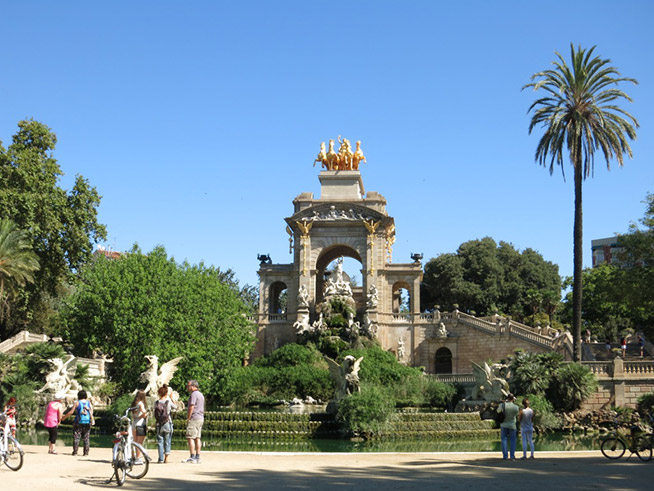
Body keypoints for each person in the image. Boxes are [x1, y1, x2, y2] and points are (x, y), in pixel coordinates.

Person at [63, 390, 94, 456]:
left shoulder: (77, 403)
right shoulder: (89, 403)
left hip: (78, 422)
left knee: (76, 437)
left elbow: (71, 412)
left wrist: (64, 417)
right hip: (87, 422)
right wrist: (92, 419)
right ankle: (86, 453)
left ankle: (75, 452)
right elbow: (91, 412)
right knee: (86, 438)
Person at [183, 379, 204, 464]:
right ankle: (198, 456)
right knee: (197, 438)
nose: (187, 387)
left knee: (190, 437)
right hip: (200, 418)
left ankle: (192, 456)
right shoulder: (201, 395)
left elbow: (191, 407)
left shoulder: (193, 395)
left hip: (194, 418)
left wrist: (188, 417)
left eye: (188, 386)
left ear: (193, 386)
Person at [154, 384, 176, 463]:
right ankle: (166, 458)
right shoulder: (168, 401)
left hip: (159, 424)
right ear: (166, 393)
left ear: (159, 393)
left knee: (160, 441)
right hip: (167, 422)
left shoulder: (156, 402)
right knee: (167, 441)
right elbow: (175, 407)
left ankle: (160, 458)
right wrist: (172, 398)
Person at [497, 393, 519, 460]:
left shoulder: (502, 405)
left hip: (503, 424)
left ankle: (505, 456)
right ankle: (512, 456)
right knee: (513, 440)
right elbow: (516, 415)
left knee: (504, 440)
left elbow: (498, 411)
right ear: (513, 399)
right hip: (512, 425)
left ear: (507, 398)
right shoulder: (515, 407)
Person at [131, 390, 148, 463]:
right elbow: (144, 412)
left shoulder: (134, 403)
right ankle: (138, 458)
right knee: (139, 443)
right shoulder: (141, 403)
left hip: (134, 423)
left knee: (135, 442)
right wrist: (145, 414)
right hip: (141, 424)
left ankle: (133, 456)